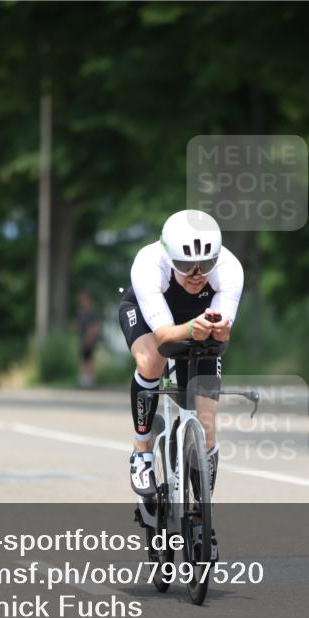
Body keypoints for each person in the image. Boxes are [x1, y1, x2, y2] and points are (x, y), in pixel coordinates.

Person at [118, 210, 242, 511]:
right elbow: (163, 336)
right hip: (149, 317)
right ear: (169, 257)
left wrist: (220, 329)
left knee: (207, 422)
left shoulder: (230, 268)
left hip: (197, 322)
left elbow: (223, 334)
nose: (196, 275)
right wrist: (189, 329)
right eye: (186, 266)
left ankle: (202, 506)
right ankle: (142, 450)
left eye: (205, 265)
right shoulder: (149, 264)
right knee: (151, 361)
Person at [77, 290, 101, 388]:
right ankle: (84, 379)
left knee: (89, 359)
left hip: (89, 339)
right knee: (84, 359)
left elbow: (95, 326)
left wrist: (91, 337)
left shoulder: (91, 313)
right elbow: (79, 325)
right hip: (83, 338)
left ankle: (90, 379)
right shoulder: (81, 313)